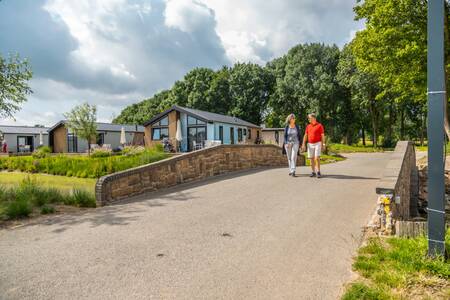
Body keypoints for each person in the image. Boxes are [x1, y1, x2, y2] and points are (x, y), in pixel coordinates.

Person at [302, 113, 325, 178]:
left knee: (316, 157)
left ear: (314, 118)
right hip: (310, 144)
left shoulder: (320, 125)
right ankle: (313, 172)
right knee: (311, 158)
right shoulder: (308, 126)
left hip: (318, 143)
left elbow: (322, 136)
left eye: (309, 118)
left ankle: (318, 172)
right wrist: (303, 144)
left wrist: (323, 144)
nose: (308, 119)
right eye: (308, 118)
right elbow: (305, 135)